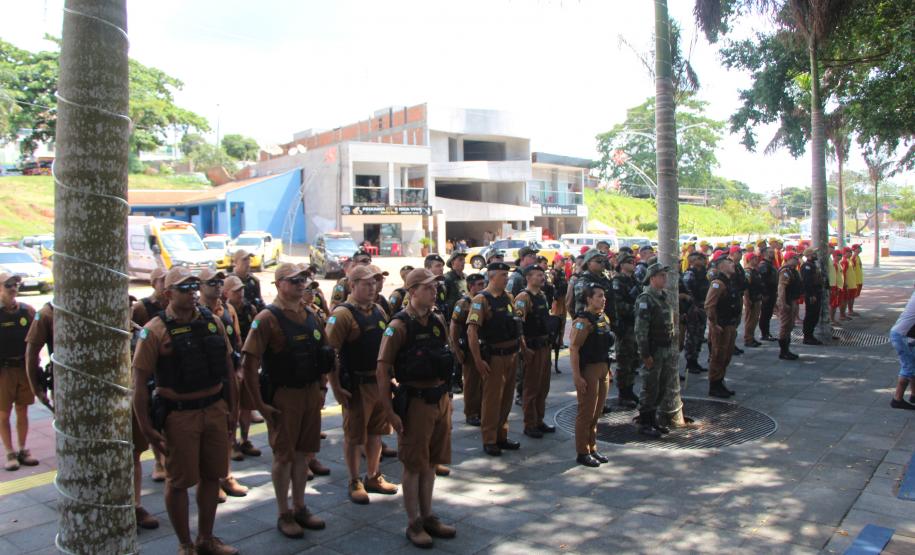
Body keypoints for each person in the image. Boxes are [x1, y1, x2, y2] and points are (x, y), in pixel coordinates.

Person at [132, 267, 238, 555]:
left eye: (194, 287)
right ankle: (185, 544)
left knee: (212, 476)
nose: (192, 293)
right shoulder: (155, 329)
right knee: (179, 481)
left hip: (214, 409)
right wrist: (147, 429)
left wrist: (233, 411)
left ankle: (206, 538)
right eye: (184, 288)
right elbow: (139, 382)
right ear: (168, 293)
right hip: (179, 415)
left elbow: (228, 368)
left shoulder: (212, 320)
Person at [240, 263, 329, 539]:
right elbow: (249, 363)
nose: (302, 283)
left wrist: (323, 387)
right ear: (279, 284)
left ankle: (300, 506)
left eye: (304, 278)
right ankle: (284, 512)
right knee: (284, 456)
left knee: (304, 454)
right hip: (284, 396)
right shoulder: (267, 318)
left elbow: (324, 352)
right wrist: (261, 406)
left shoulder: (311, 314)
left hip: (309, 393)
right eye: (294, 280)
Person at [377, 268, 458, 548]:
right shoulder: (399, 325)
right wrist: (389, 411)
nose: (434, 291)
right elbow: (383, 369)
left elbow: (444, 356)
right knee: (414, 465)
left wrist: (448, 399)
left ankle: (428, 515)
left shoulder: (436, 318)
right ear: (412, 292)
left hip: (439, 399)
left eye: (434, 287)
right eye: (427, 287)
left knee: (431, 463)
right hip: (415, 403)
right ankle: (413, 523)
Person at [326, 264, 398, 504]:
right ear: (352, 285)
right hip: (356, 385)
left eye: (375, 282)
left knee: (377, 432)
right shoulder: (342, 315)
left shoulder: (378, 309)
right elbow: (330, 354)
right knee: (354, 435)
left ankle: (373, 475)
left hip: (378, 382)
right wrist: (335, 387)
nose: (373, 287)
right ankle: (354, 479)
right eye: (367, 283)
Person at [197, 269, 249, 500]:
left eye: (219, 282)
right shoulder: (196, 313)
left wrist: (238, 370)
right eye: (211, 282)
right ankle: (210, 479)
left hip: (228, 378)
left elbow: (236, 341)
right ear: (200, 287)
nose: (217, 286)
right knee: (206, 435)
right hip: (207, 382)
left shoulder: (227, 310)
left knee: (229, 427)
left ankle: (225, 474)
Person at [466, 261, 522, 456]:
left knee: (507, 398)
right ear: (492, 277)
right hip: (494, 357)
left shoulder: (509, 297)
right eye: (503, 276)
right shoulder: (481, 300)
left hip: (511, 355)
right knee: (492, 400)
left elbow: (515, 325)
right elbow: (472, 332)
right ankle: (489, 439)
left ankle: (501, 435)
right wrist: (478, 361)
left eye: (507, 275)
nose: (507, 279)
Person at [569, 283, 613, 467]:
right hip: (589, 370)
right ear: (589, 299)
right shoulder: (582, 321)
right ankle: (582, 451)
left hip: (603, 367)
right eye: (599, 296)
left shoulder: (602, 317)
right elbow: (574, 349)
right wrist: (577, 377)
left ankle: (592, 446)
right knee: (586, 412)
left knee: (597, 411)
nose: (603, 299)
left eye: (604, 296)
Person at [0, 272, 38, 472]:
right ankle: (9, 452)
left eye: (15, 284)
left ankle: (23, 449)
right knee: (3, 414)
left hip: (23, 368)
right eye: (8, 284)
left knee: (23, 409)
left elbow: (39, 336)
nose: (13, 288)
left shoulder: (27, 311)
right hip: (3, 371)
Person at [634, 263, 676, 438]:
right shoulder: (646, 299)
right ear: (652, 279)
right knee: (650, 387)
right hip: (653, 350)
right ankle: (645, 422)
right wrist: (645, 354)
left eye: (665, 275)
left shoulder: (663, 296)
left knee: (663, 385)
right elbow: (641, 330)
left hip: (665, 348)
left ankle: (653, 420)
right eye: (661, 276)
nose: (664, 278)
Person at [514, 264, 555, 439]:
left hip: (544, 346)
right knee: (531, 387)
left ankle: (539, 419)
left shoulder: (542, 296)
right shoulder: (524, 297)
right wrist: (524, 349)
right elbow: (518, 325)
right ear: (528, 277)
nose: (542, 277)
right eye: (538, 275)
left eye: (542, 274)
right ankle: (530, 423)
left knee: (543, 386)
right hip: (532, 348)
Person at [223, 275, 261, 461]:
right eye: (236, 290)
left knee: (247, 404)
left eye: (242, 289)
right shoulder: (220, 311)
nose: (241, 293)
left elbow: (241, 337)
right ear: (227, 292)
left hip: (246, 362)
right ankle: (231, 443)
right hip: (230, 367)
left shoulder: (248, 309)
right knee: (232, 407)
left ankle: (245, 439)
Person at [450, 274, 486, 426]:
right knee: (471, 383)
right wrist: (457, 350)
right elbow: (454, 327)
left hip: (484, 348)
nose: (483, 287)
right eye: (479, 284)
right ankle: (471, 413)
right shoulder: (463, 303)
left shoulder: (485, 299)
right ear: (471, 286)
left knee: (484, 383)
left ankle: (482, 411)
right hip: (469, 349)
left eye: (483, 284)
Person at [704, 252, 740, 398]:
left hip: (730, 325)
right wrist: (714, 323)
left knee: (726, 355)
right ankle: (715, 385)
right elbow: (709, 305)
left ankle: (720, 382)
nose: (732, 264)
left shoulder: (729, 280)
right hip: (721, 326)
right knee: (718, 355)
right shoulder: (718, 283)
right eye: (728, 262)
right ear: (720, 266)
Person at [610, 253, 641, 408]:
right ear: (622, 265)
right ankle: (623, 393)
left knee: (634, 359)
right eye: (629, 262)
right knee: (624, 361)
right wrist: (636, 309)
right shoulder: (618, 281)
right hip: (625, 325)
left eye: (634, 261)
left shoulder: (634, 280)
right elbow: (618, 305)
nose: (633, 263)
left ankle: (629, 390)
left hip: (634, 324)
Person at [681, 252, 710, 374]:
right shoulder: (690, 274)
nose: (704, 261)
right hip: (694, 309)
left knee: (699, 335)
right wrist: (694, 307)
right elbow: (688, 293)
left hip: (703, 307)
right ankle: (690, 361)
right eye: (701, 258)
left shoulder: (704, 273)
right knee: (692, 336)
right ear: (694, 260)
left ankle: (695, 360)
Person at [889, 284, 915, 410]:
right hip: (902, 336)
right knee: (908, 367)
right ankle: (897, 399)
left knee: (912, 364)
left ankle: (914, 395)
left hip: (905, 335)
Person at [776, 251, 803, 360]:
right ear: (789, 259)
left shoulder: (793, 271)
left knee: (790, 326)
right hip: (787, 301)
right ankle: (783, 351)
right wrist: (783, 303)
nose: (797, 260)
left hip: (792, 300)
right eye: (795, 258)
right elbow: (781, 288)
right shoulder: (785, 271)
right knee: (785, 326)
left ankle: (787, 350)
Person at [800, 248, 825, 345]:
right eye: (814, 253)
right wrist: (811, 295)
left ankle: (810, 335)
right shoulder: (807, 266)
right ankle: (807, 336)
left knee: (814, 316)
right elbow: (807, 283)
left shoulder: (812, 265)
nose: (816, 255)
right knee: (810, 315)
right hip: (812, 294)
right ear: (810, 255)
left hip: (816, 293)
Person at [727, 246, 747, 357]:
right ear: (733, 253)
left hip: (738, 296)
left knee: (736, 322)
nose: (741, 254)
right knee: (731, 323)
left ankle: (732, 344)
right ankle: (729, 346)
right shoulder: (728, 264)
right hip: (731, 298)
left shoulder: (738, 265)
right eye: (739, 252)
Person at [757, 247, 779, 341]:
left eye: (772, 252)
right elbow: (762, 281)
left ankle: (767, 333)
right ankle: (764, 334)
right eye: (770, 252)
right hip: (767, 293)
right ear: (765, 254)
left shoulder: (770, 264)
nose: (772, 254)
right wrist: (764, 293)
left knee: (768, 313)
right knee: (765, 314)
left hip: (772, 292)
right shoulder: (764, 265)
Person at [743, 252, 764, 348]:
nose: (757, 260)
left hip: (757, 298)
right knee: (750, 320)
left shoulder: (755, 270)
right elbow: (746, 287)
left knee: (755, 319)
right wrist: (747, 299)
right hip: (751, 298)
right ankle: (748, 339)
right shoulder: (748, 271)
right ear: (750, 260)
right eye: (754, 258)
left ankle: (751, 337)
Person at [443, 252, 467, 318]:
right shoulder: (447, 279)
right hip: (452, 315)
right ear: (453, 263)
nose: (463, 262)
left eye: (464, 260)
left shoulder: (466, 277)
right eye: (460, 259)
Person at [828, 249, 845, 324]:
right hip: (835, 287)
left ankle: (832, 319)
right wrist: (836, 287)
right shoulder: (834, 264)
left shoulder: (838, 264)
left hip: (839, 287)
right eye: (838, 255)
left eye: (841, 255)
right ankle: (831, 319)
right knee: (833, 304)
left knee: (836, 304)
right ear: (834, 256)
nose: (840, 257)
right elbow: (833, 276)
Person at [849, 244, 863, 316]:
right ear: (854, 249)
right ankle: (850, 310)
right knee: (852, 296)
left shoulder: (858, 257)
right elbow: (852, 270)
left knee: (854, 296)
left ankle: (851, 310)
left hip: (859, 280)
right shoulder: (853, 258)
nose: (860, 249)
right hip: (855, 280)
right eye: (859, 247)